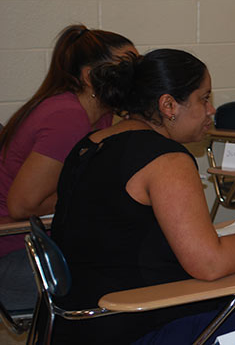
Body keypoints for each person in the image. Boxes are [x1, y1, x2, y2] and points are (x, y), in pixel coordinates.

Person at [50, 49, 235, 345]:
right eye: (203, 98)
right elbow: (210, 264)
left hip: (79, 323)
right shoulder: (166, 160)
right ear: (168, 105)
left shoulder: (91, 144)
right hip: (138, 325)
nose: (211, 109)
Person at [0, 24, 135, 313]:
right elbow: (22, 205)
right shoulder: (67, 117)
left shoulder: (100, 116)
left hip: (40, 245)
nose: (134, 77)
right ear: (89, 76)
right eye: (126, 67)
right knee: (136, 276)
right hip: (16, 255)